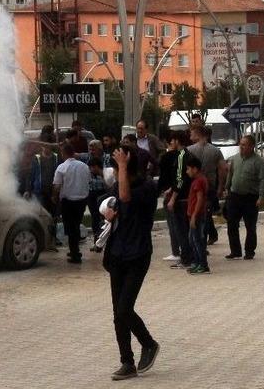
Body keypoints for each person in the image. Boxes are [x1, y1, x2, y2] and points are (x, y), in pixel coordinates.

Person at [104, 143, 160, 381]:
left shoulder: (148, 186)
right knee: (118, 314)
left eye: (117, 168)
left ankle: (149, 344)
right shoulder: (119, 184)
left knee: (125, 308)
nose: (115, 173)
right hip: (117, 254)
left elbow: (126, 197)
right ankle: (127, 362)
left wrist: (123, 166)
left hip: (137, 254)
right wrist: (109, 215)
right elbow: (119, 203)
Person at [223, 135, 264, 260]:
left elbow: (263, 180)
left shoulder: (258, 162)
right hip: (234, 196)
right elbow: (230, 174)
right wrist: (226, 188)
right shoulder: (235, 159)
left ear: (251, 146)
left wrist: (261, 197)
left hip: (250, 198)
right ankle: (235, 251)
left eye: (244, 145)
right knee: (232, 224)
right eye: (240, 144)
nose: (241, 147)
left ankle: (249, 251)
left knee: (250, 226)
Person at [188, 125, 226, 245]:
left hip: (194, 187)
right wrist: (220, 187)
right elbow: (222, 170)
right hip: (210, 187)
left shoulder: (189, 150)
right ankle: (206, 239)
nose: (190, 136)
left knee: (197, 214)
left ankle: (199, 243)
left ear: (198, 134)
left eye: (192, 134)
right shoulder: (216, 151)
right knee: (206, 213)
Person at [52, 143, 90, 263]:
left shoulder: (62, 167)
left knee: (70, 228)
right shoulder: (84, 166)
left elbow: (57, 186)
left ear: (63, 153)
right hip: (82, 201)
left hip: (68, 202)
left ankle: (75, 254)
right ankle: (74, 250)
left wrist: (54, 197)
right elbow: (88, 181)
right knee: (76, 225)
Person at [164, 130, 193, 269]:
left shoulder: (181, 156)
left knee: (181, 230)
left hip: (181, 198)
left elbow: (180, 179)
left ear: (177, 141)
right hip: (185, 196)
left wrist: (173, 198)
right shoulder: (186, 154)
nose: (171, 143)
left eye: (173, 140)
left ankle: (186, 258)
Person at [25, 136, 60, 243]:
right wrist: (28, 189)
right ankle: (43, 237)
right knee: (41, 214)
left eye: (48, 146)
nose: (46, 148)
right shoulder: (37, 158)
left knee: (54, 215)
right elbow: (30, 175)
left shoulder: (56, 157)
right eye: (44, 146)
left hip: (53, 191)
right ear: (42, 147)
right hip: (39, 191)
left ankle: (53, 238)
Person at [157, 133, 182, 262]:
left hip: (170, 193)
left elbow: (163, 177)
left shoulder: (167, 157)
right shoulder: (183, 156)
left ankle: (176, 251)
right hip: (180, 193)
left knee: (173, 224)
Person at [185, 156, 210, 274]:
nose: (187, 172)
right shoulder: (199, 180)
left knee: (197, 240)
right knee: (192, 239)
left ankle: (203, 265)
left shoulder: (199, 181)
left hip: (197, 215)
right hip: (194, 214)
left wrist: (194, 215)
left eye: (188, 169)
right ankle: (197, 262)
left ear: (195, 169)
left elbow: (199, 200)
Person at [83, 140, 109, 251]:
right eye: (90, 148)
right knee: (94, 217)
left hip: (104, 191)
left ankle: (105, 240)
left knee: (105, 217)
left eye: (93, 148)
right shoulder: (87, 158)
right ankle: (97, 242)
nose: (91, 151)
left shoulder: (106, 158)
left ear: (100, 148)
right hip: (91, 191)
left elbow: (107, 173)